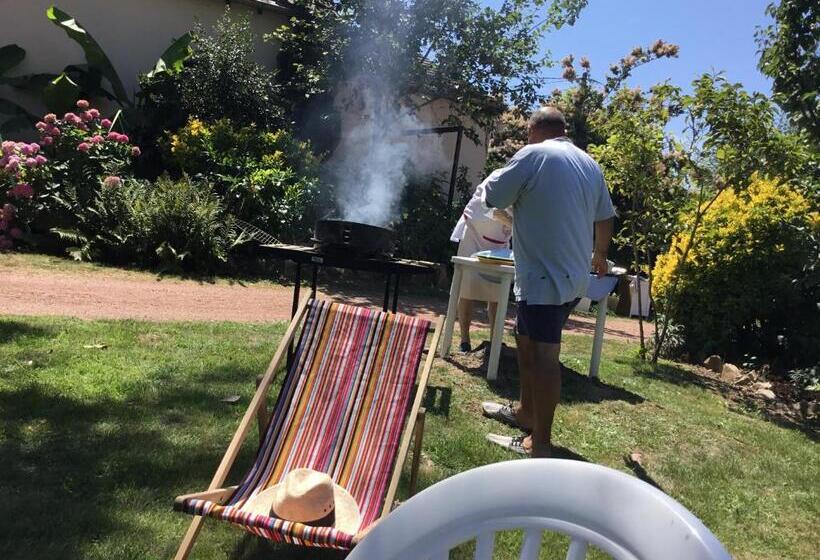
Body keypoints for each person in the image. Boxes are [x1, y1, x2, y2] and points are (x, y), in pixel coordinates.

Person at [480, 107, 615, 458]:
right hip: (569, 278)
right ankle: (526, 413)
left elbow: (493, 196)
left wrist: (508, 167)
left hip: (545, 279)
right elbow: (605, 216)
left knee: (543, 356)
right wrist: (600, 254)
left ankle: (539, 443)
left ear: (533, 130)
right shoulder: (589, 164)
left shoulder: (534, 154)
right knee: (524, 340)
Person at [450, 171, 513, 352]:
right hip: (474, 233)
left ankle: (495, 340)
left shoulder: (529, 185)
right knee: (467, 288)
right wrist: (514, 222)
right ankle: (464, 340)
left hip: (499, 239)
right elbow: (490, 208)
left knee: (498, 291)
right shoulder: (498, 178)